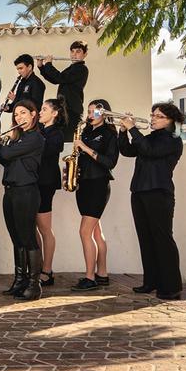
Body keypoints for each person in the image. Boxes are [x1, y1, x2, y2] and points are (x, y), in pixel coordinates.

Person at [118, 103, 185, 300]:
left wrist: (132, 128)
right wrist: (123, 132)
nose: (153, 118)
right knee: (145, 238)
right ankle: (151, 281)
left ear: (171, 120)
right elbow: (128, 151)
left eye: (158, 116)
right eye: (152, 115)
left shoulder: (173, 139)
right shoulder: (150, 137)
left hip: (158, 193)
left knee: (162, 239)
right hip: (139, 191)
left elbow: (150, 151)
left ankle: (171, 287)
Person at [0, 99, 45, 301]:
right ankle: (20, 281)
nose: (18, 117)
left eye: (23, 113)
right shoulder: (18, 138)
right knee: (17, 239)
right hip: (10, 192)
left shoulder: (35, 138)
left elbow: (7, 153)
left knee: (28, 238)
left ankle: (34, 285)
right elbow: (4, 159)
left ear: (33, 114)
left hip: (26, 192)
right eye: (16, 114)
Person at [70, 100, 119, 292]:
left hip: (98, 184)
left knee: (85, 232)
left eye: (95, 112)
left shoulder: (109, 134)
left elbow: (109, 162)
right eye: (89, 111)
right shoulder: (86, 131)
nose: (90, 115)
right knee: (96, 232)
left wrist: (84, 147)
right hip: (84, 183)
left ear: (104, 113)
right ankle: (102, 274)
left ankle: (90, 277)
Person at [36, 98, 68, 287]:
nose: (40, 112)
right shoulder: (39, 130)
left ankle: (47, 271)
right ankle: (37, 266)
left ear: (55, 113)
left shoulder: (56, 133)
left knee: (44, 228)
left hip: (46, 183)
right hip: (33, 182)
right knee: (32, 227)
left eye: (44, 109)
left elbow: (44, 151)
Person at [38, 41, 89, 141]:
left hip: (72, 110)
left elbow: (60, 78)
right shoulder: (71, 68)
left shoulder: (81, 69)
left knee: (67, 139)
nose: (74, 54)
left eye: (78, 51)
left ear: (85, 54)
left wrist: (48, 64)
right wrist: (42, 67)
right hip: (64, 109)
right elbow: (55, 80)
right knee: (59, 137)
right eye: (72, 51)